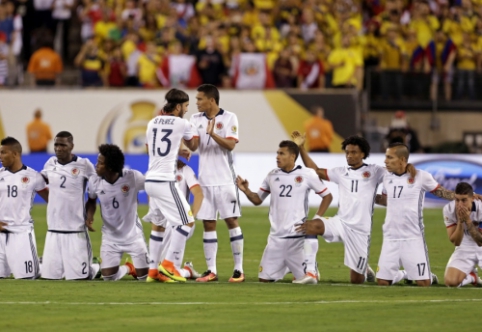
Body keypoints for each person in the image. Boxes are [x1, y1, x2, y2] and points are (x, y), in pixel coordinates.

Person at [237, 141, 332, 283]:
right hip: (275, 239)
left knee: (310, 281)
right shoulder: (272, 175)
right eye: (277, 153)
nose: (277, 157)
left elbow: (327, 196)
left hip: (297, 238)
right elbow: (257, 200)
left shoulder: (307, 174)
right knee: (264, 280)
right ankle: (287, 266)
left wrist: (316, 218)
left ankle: (306, 267)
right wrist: (246, 191)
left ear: (292, 156)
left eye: (282, 153)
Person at [292, 132, 381, 284]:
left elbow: (397, 174)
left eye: (354, 152)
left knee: (356, 281)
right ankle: (311, 273)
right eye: (347, 152)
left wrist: (409, 167)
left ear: (363, 154)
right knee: (310, 226)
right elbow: (314, 170)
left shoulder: (375, 171)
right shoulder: (340, 172)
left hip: (360, 231)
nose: (349, 156)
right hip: (340, 223)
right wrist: (301, 148)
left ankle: (366, 269)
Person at [374, 142, 456, 287]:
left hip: (412, 236)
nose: (385, 161)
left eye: (390, 157)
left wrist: (465, 197)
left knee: (424, 284)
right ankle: (404, 274)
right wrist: (367, 198)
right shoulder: (387, 178)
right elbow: (388, 201)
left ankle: (428, 276)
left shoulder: (421, 176)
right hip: (390, 236)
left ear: (402, 160)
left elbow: (441, 192)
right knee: (382, 282)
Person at [190, 84, 245, 283]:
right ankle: (211, 270)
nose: (196, 103)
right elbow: (194, 146)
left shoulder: (230, 117)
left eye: (199, 99)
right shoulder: (195, 119)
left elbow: (231, 145)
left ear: (211, 100)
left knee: (231, 221)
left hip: (225, 180)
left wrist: (212, 133)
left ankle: (239, 270)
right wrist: (185, 139)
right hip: (205, 181)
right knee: (208, 223)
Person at [145, 88, 200, 283]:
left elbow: (150, 149)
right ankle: (168, 264)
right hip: (165, 180)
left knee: (158, 225)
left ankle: (152, 271)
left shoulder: (152, 122)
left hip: (150, 180)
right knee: (187, 221)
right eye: (185, 106)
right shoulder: (183, 123)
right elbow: (194, 146)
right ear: (177, 106)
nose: (186, 109)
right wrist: (197, 131)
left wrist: (176, 153)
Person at [40, 131, 100, 280]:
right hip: (53, 230)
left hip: (75, 231)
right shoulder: (50, 163)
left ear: (71, 146)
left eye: (63, 145)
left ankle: (96, 267)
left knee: (80, 278)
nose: (59, 148)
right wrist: (52, 201)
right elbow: (39, 185)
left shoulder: (84, 165)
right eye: (56, 145)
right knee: (49, 278)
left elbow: (93, 197)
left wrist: (89, 216)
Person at [85, 144, 148, 281]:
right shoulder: (94, 181)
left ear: (110, 167)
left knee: (145, 278)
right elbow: (91, 201)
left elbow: (152, 186)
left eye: (100, 163)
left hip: (133, 236)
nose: (96, 165)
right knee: (109, 277)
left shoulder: (132, 177)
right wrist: (89, 216)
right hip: (110, 238)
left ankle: (148, 264)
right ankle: (128, 268)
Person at [144, 159, 204, 283]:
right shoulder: (156, 170)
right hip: (164, 223)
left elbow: (198, 194)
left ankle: (172, 269)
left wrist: (191, 216)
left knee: (164, 269)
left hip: (180, 222)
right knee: (166, 268)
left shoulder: (185, 170)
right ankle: (187, 270)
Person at [0, 137, 49, 279]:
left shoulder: (33, 177)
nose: (0, 156)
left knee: (28, 278)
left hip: (21, 234)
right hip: (0, 235)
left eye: (3, 152)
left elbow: (51, 200)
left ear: (15, 154)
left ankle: (43, 263)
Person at [443, 182, 482, 287]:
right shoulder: (449, 210)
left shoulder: (481, 208)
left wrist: (468, 220)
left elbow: (480, 241)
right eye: (457, 200)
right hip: (464, 246)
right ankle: (471, 277)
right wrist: (460, 221)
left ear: (473, 198)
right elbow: (456, 241)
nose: (460, 204)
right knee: (450, 282)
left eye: (464, 200)